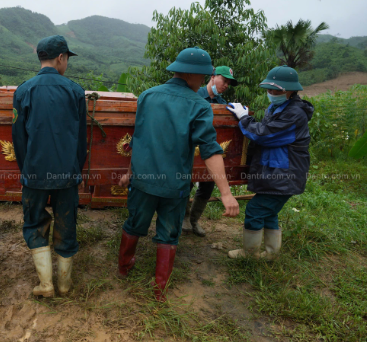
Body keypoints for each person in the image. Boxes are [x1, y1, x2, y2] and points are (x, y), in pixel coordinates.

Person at [117, 47, 240, 302]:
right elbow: (209, 151)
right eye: (204, 75)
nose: (205, 80)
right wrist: (226, 194)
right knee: (168, 235)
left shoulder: (147, 96)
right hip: (174, 187)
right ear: (192, 75)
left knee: (134, 225)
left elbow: (138, 139)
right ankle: (159, 290)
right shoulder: (199, 105)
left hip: (142, 181)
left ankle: (123, 269)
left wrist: (129, 173)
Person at [12, 35, 86, 297]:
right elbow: (81, 139)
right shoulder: (75, 91)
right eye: (67, 59)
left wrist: (27, 169)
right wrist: (77, 169)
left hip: (34, 172)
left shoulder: (23, 91)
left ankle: (46, 285)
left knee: (34, 223)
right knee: (67, 223)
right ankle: (65, 285)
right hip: (67, 173)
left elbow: (19, 139)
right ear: (61, 58)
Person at [226, 65, 313, 260]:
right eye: (269, 89)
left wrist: (244, 119)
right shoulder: (278, 107)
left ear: (290, 90)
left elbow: (265, 135)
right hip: (274, 171)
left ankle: (249, 254)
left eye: (276, 90)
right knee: (269, 211)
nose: (271, 93)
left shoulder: (294, 114)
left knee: (256, 210)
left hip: (284, 174)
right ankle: (271, 254)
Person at [182, 66, 238, 237]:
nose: (226, 85)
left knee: (207, 187)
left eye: (229, 82)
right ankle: (182, 219)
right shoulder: (193, 94)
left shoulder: (223, 104)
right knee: (186, 184)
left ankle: (193, 220)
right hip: (191, 152)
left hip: (211, 153)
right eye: (224, 80)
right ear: (213, 77)